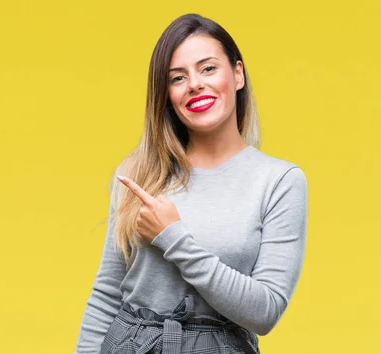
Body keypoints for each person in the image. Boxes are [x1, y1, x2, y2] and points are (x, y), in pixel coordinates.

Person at [74, 13, 308, 354]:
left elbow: (265, 311)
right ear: (167, 94)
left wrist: (172, 237)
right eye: (177, 78)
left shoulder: (279, 181)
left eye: (208, 68)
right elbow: (108, 292)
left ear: (238, 74)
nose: (195, 84)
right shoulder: (140, 172)